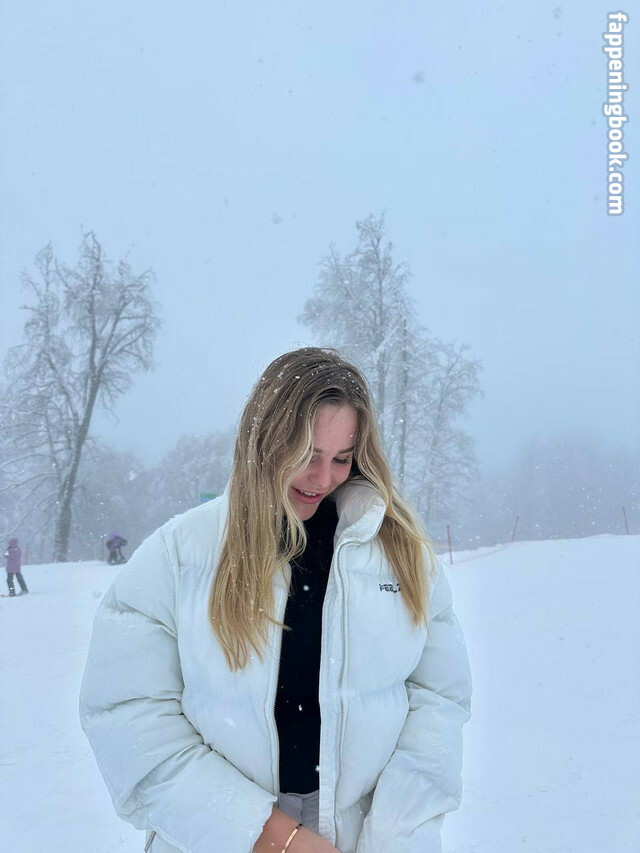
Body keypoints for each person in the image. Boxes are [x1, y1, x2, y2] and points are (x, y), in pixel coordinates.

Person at [80, 347, 472, 853]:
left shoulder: (404, 557)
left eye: (341, 458)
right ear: (264, 438)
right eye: (306, 454)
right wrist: (269, 836)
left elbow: (438, 701)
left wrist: (397, 835)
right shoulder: (176, 557)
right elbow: (127, 716)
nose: (323, 478)